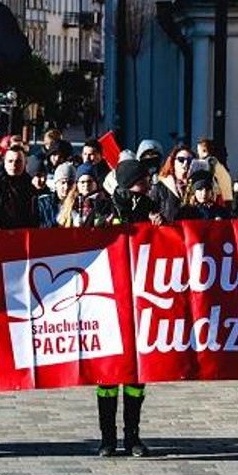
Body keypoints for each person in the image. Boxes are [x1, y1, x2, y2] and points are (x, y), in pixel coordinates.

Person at [99, 157, 158, 457]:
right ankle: (107, 438)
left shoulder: (150, 209)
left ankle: (133, 436)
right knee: (108, 378)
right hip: (108, 302)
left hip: (140, 301)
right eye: (141, 180)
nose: (147, 185)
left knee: (136, 378)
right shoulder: (104, 208)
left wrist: (161, 226)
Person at [0, 146, 38, 230]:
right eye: (10, 161)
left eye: (18, 161)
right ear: (4, 162)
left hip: (25, 233)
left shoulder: (31, 185)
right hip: (1, 235)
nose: (14, 165)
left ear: (25, 163)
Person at [58, 162, 116, 228]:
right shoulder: (69, 204)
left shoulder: (105, 204)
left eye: (89, 181)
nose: (86, 185)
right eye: (82, 182)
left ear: (96, 183)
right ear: (77, 185)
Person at [150, 144, 195, 222]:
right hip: (168, 232)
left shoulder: (199, 186)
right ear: (173, 162)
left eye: (190, 160)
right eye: (181, 159)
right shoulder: (161, 186)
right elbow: (150, 210)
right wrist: (154, 217)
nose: (185, 164)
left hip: (191, 232)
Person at [37, 163, 77, 228]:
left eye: (70, 183)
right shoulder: (43, 203)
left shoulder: (79, 204)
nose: (66, 187)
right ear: (56, 184)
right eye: (62, 182)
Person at [196, 137, 233, 204]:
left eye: (198, 150)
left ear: (204, 150)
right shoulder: (216, 162)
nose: (198, 153)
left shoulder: (208, 162)